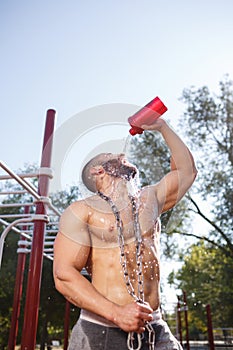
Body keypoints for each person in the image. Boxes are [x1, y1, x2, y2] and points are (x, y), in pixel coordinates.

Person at [53, 117, 197, 350]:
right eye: (112, 155)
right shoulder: (82, 211)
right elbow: (63, 274)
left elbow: (187, 171)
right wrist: (117, 313)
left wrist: (162, 127)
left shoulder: (149, 199)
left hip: (155, 327)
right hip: (100, 329)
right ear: (97, 170)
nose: (122, 157)